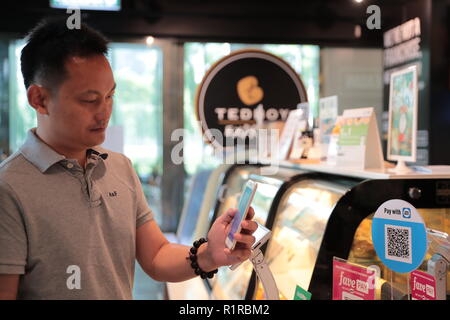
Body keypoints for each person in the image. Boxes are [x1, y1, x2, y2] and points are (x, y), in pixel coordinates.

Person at [0, 18, 257, 300]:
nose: (104, 111)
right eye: (89, 100)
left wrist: (210, 253)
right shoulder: (9, 188)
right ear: (39, 99)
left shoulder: (119, 166)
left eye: (110, 96)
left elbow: (156, 255)